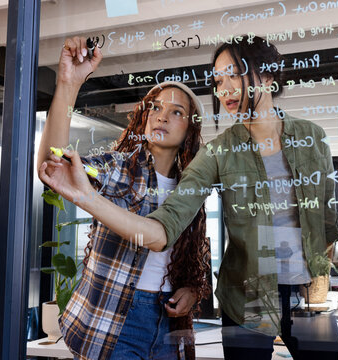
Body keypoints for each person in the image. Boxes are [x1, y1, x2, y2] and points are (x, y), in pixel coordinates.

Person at [39, 36, 338, 360]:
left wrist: (333, 264)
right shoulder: (216, 154)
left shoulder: (313, 138)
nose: (223, 87)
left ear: (267, 76)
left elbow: (325, 224)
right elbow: (162, 230)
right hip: (246, 300)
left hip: (309, 296)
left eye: (233, 74)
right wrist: (69, 86)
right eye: (218, 80)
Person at [37, 37, 210, 360]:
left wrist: (190, 289)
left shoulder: (192, 188)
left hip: (168, 322)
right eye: (155, 108)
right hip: (115, 318)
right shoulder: (119, 167)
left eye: (176, 112)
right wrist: (68, 84)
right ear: (143, 117)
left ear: (190, 131)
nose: (162, 116)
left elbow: (191, 255)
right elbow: (53, 164)